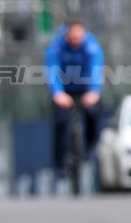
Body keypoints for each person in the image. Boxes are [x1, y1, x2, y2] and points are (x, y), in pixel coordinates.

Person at [44, 19, 104, 170]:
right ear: (67, 33)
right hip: (64, 90)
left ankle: (90, 150)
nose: (76, 36)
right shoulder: (56, 46)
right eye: (73, 33)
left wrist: (93, 91)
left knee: (92, 114)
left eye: (79, 32)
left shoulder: (91, 45)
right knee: (61, 121)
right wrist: (57, 93)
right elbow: (52, 70)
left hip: (85, 88)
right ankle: (60, 162)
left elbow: (96, 68)